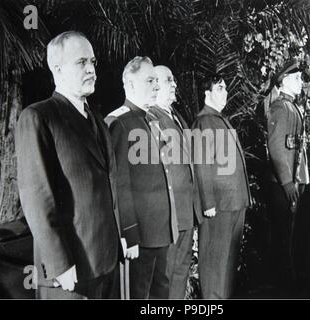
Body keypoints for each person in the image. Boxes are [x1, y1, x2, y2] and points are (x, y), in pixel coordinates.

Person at [15, 31, 137, 299]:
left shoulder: (98, 122)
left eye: (93, 62)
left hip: (107, 262)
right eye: (81, 62)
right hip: (71, 272)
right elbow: (37, 197)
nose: (91, 70)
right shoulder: (38, 117)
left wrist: (121, 239)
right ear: (57, 69)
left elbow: (110, 189)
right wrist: (59, 264)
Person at [105, 57, 177, 299]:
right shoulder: (119, 123)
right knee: (139, 294)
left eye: (157, 81)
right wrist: (129, 234)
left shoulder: (151, 121)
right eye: (150, 81)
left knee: (160, 293)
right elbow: (120, 185)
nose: (156, 86)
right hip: (142, 235)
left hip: (159, 230)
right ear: (130, 84)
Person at [192, 75, 252, 299]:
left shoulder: (218, 119)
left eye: (226, 88)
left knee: (228, 264)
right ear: (206, 94)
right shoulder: (203, 121)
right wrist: (207, 203)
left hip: (234, 203)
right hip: (219, 206)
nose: (225, 92)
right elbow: (202, 165)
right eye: (219, 88)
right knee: (215, 264)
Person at [148, 65, 203, 299]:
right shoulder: (151, 118)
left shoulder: (175, 117)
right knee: (167, 274)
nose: (175, 85)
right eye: (168, 80)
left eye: (173, 80)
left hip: (185, 211)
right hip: (169, 215)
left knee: (181, 270)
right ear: (155, 85)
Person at [266, 58, 309, 291]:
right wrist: (287, 183)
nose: (300, 81)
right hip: (282, 185)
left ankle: (286, 282)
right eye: (296, 78)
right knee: (282, 236)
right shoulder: (280, 108)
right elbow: (276, 149)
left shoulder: (291, 106)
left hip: (291, 182)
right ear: (283, 82)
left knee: (287, 235)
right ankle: (280, 285)